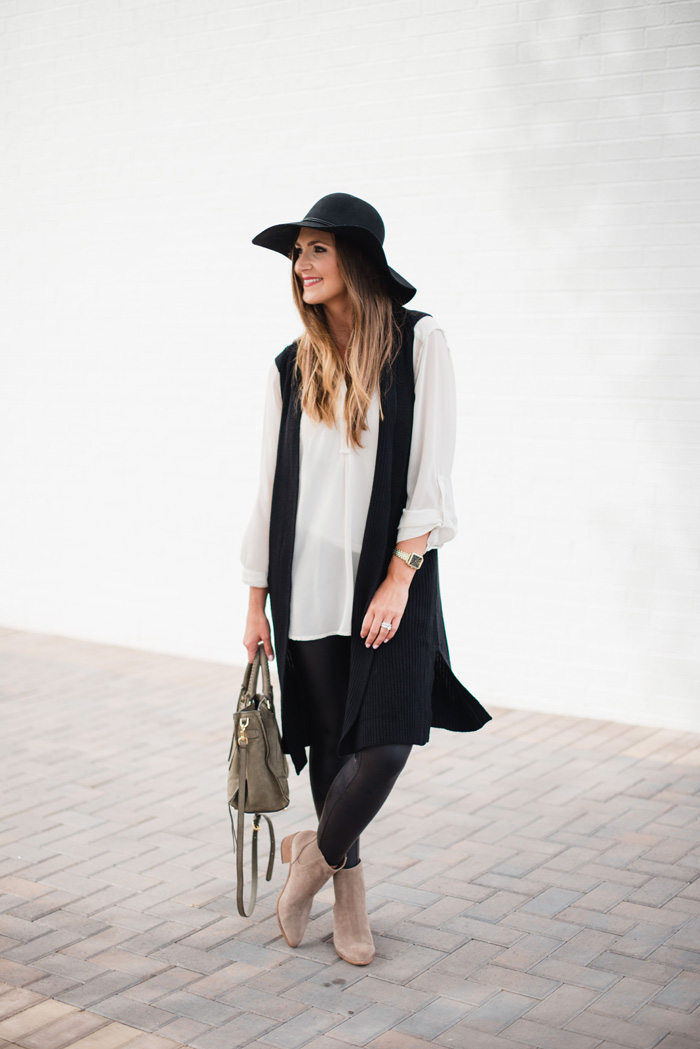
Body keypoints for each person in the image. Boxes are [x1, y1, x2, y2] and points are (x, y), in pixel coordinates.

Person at [241, 192, 490, 966]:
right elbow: (268, 492)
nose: (301, 265)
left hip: (390, 579)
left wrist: (400, 576)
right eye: (297, 253)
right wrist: (255, 601)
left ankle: (311, 862)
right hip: (306, 582)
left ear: (357, 257)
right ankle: (348, 897)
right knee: (331, 743)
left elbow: (432, 475)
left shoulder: (419, 342)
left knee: (384, 746)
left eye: (316, 248)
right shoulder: (290, 366)